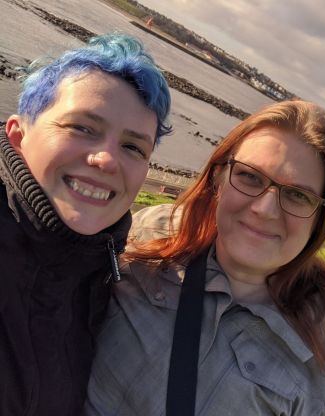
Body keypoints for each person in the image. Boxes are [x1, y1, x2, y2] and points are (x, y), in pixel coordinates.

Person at [85, 100, 325, 415]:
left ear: (320, 220)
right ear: (218, 178)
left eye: (298, 195)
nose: (264, 210)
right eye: (250, 177)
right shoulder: (150, 234)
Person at [0, 33, 171, 416]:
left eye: (132, 147)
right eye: (82, 128)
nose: (106, 160)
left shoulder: (101, 273)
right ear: (17, 136)